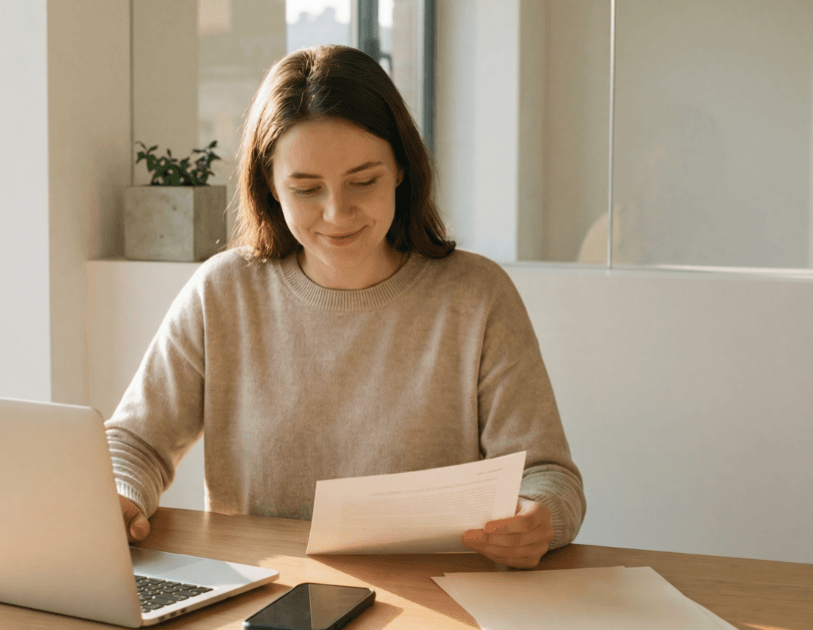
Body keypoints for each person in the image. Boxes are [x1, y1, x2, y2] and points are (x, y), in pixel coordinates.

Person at [106, 45, 584, 569]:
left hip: (434, 596)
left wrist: (539, 517)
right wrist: (118, 496)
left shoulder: (476, 295)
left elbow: (548, 476)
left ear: (402, 167)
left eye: (364, 181)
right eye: (306, 188)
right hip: (260, 591)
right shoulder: (223, 292)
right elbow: (133, 444)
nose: (337, 213)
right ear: (270, 184)